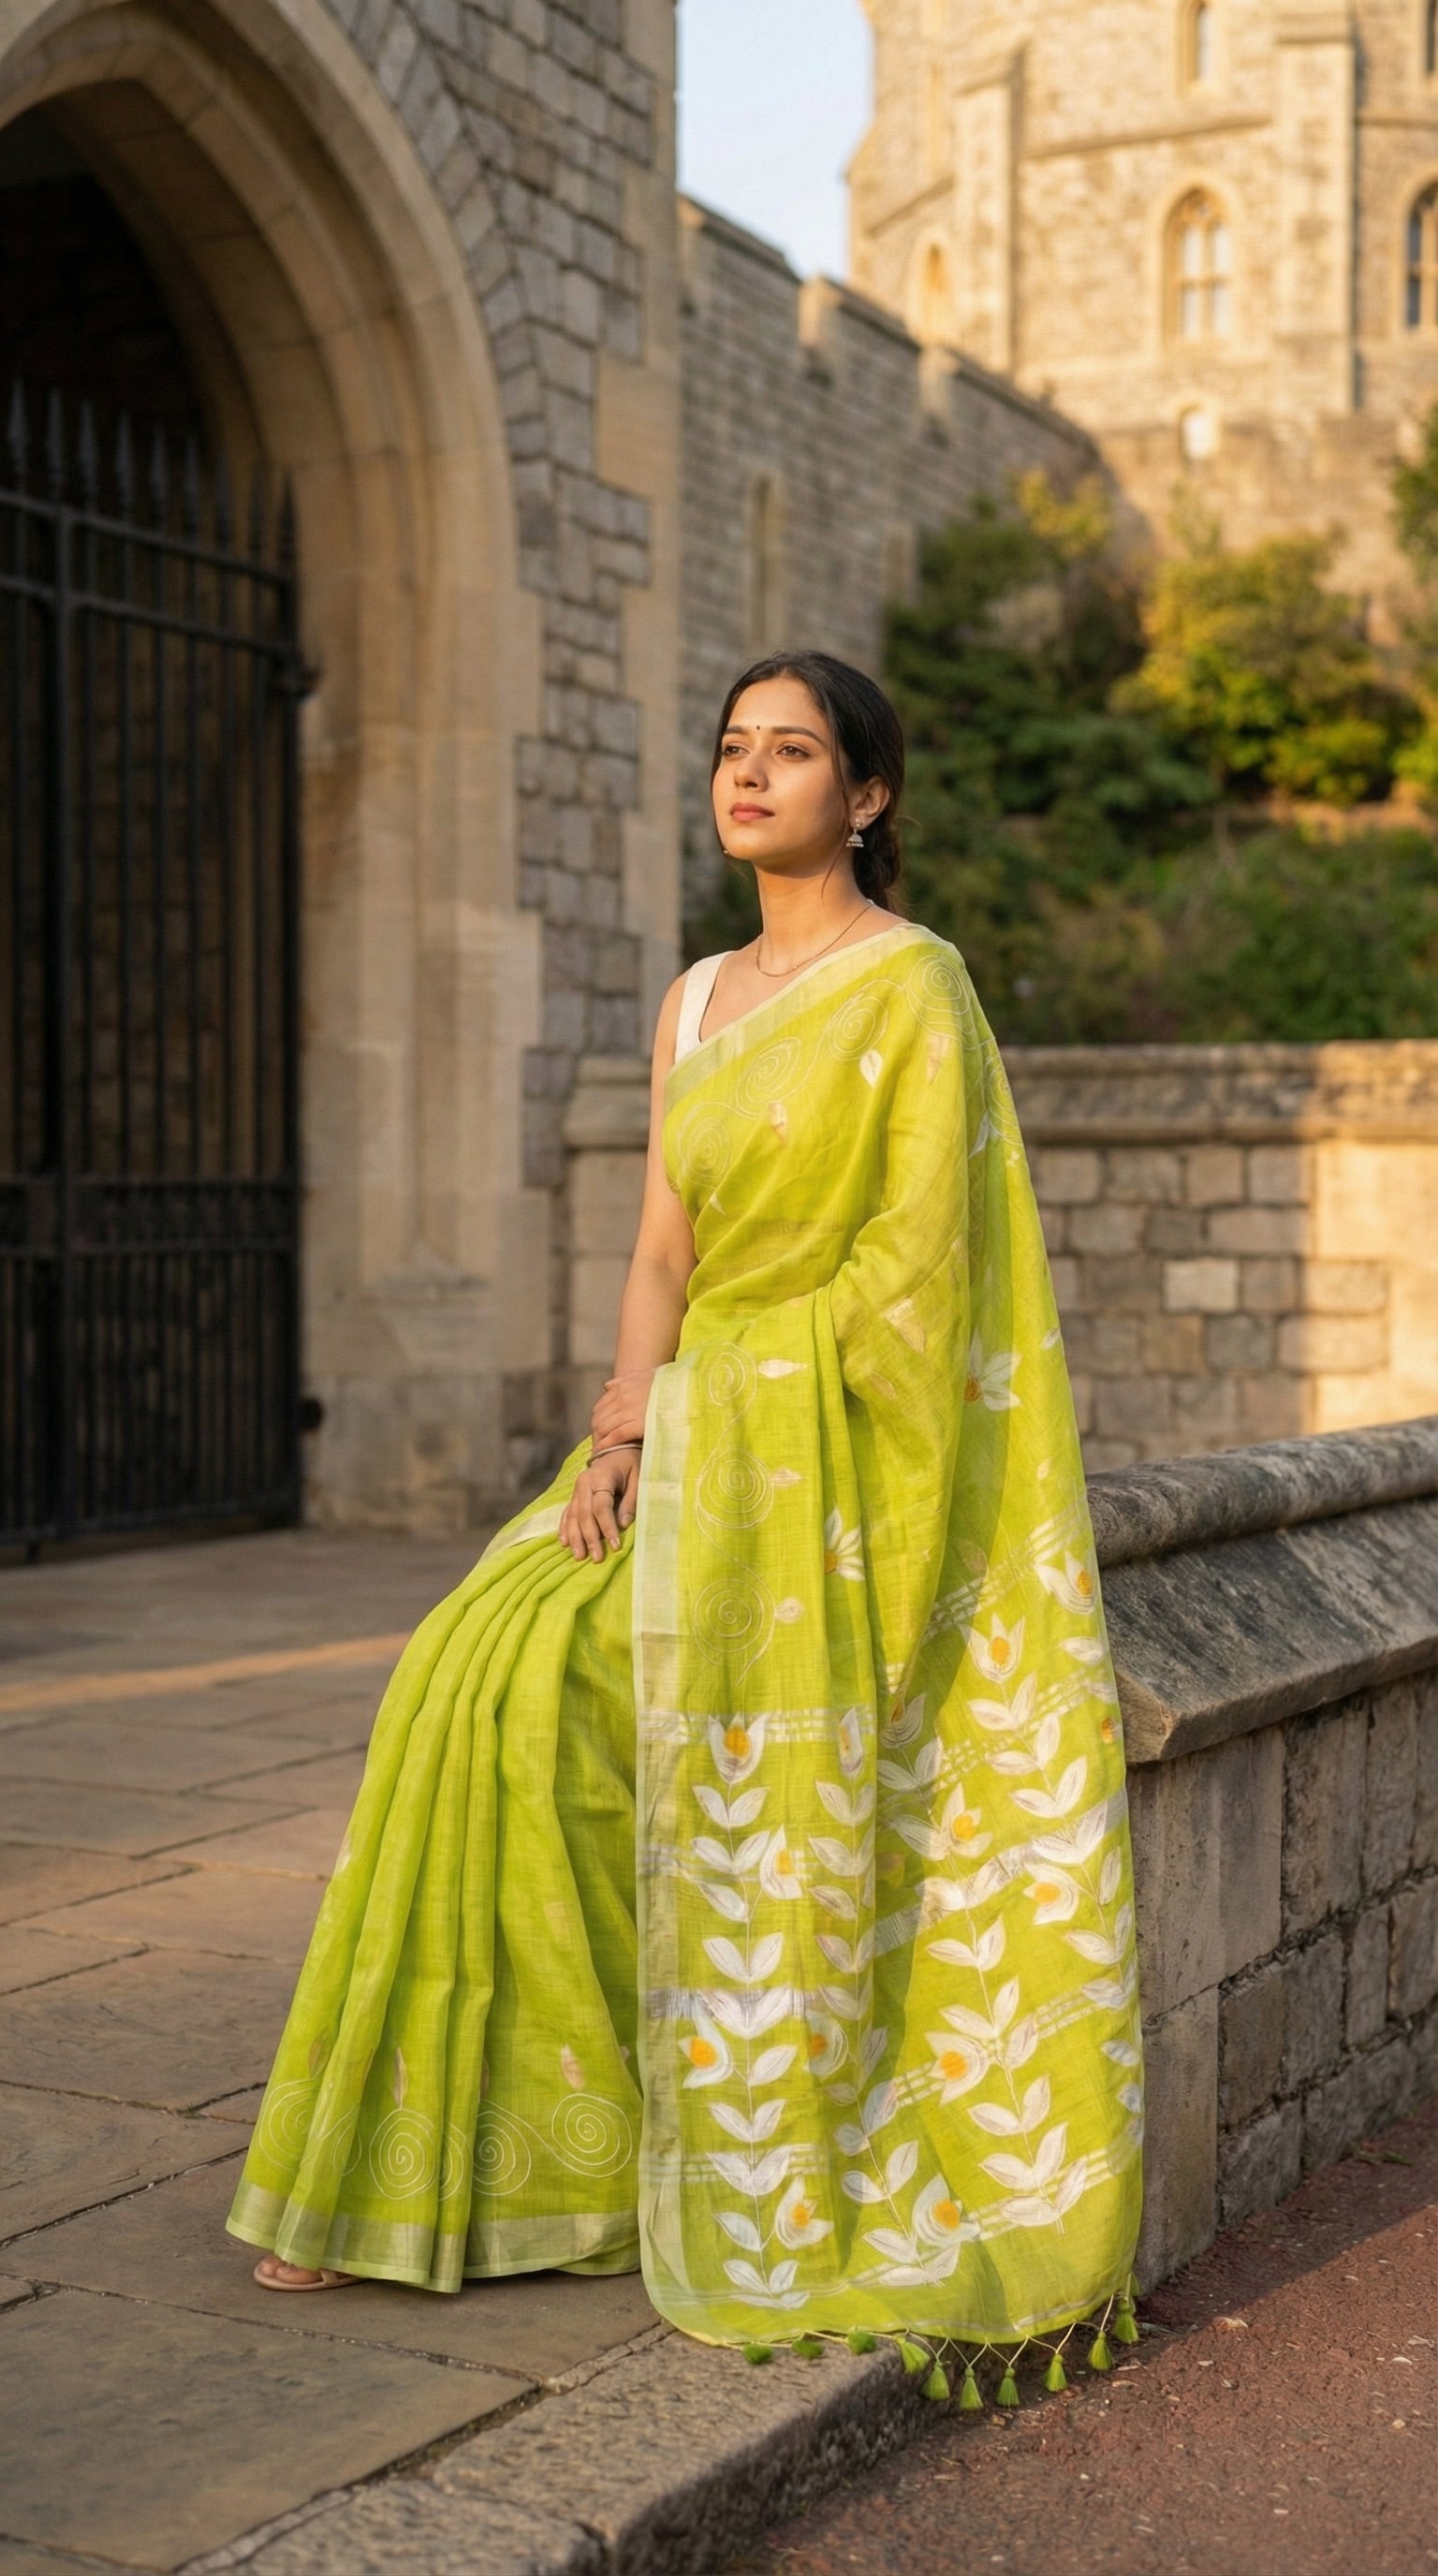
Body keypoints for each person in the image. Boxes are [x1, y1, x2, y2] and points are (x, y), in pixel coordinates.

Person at [230, 651, 1142, 2368]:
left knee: (572, 1706)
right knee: (465, 1670)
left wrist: (734, 1405)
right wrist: (619, 1429)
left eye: (792, 753)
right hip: (691, 1433)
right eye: (734, 749)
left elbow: (917, 1277)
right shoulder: (695, 999)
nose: (750, 776)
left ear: (865, 797)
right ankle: (475, 2166)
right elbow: (664, 1248)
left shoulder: (913, 990)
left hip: (816, 1471)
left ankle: (660, 2142)